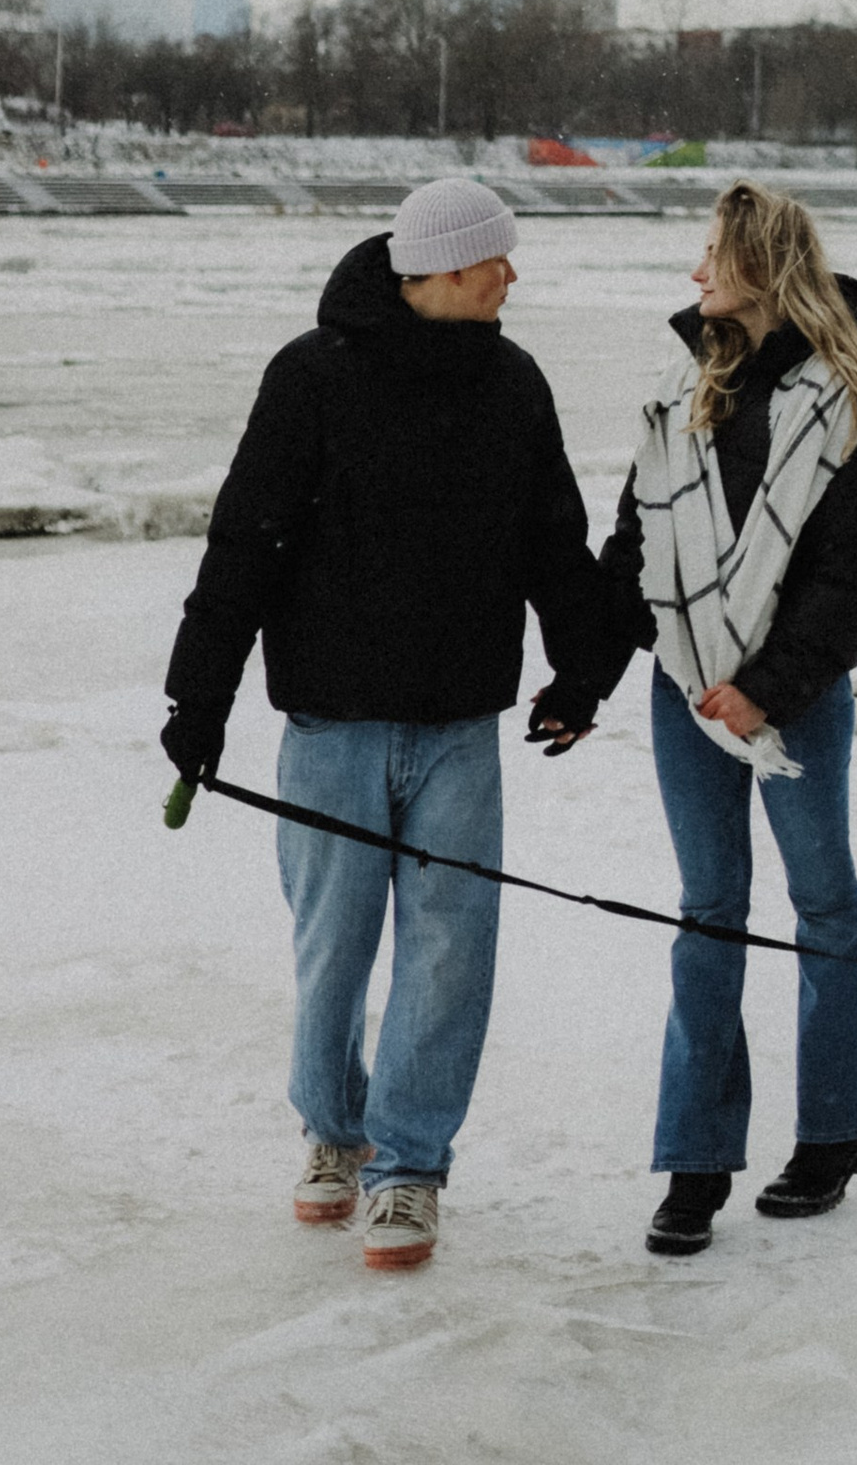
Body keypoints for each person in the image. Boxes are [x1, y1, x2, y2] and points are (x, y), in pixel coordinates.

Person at [160, 171, 626, 1271]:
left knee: (450, 953)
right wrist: (200, 697)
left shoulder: (512, 383)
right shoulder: (312, 378)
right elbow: (246, 544)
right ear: (446, 270)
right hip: (331, 725)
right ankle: (333, 1134)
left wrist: (581, 673)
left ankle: (410, 1165)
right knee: (333, 950)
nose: (513, 276)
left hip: (461, 725)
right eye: (497, 261)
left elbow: (551, 543)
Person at [599, 179, 857, 1255]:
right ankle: (695, 1160)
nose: (694, 276)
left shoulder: (851, 398)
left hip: (796, 703)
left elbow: (852, 578)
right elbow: (636, 549)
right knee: (706, 913)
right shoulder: (694, 391)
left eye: (712, 257)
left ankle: (834, 1131)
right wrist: (584, 678)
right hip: (685, 693)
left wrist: (766, 688)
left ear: (763, 269)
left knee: (823, 905)